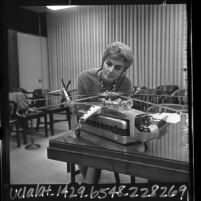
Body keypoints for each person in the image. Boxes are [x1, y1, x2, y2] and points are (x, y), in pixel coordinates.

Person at [77, 41, 134, 184]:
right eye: (108, 63)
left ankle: (90, 184)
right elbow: (79, 111)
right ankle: (90, 182)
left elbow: (123, 114)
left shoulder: (126, 83)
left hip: (110, 128)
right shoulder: (85, 77)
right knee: (89, 155)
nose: (111, 70)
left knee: (97, 155)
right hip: (86, 125)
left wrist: (121, 107)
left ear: (123, 70)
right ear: (103, 61)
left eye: (117, 67)